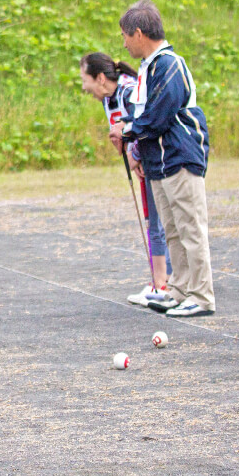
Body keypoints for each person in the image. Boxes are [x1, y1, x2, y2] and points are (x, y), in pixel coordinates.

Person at [113, 0, 214, 317]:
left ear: (139, 33)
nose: (124, 43)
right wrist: (135, 141)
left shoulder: (169, 64)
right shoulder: (148, 67)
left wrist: (128, 130)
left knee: (191, 228)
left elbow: (158, 114)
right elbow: (143, 111)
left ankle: (202, 295)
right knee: (173, 229)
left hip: (179, 157)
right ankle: (180, 289)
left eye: (125, 36)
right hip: (158, 160)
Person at [79, 52, 174, 307]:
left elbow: (142, 126)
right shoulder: (108, 99)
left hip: (158, 160)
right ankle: (164, 280)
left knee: (158, 224)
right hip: (142, 163)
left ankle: (162, 284)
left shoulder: (129, 91)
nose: (83, 86)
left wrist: (135, 155)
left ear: (100, 78)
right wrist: (126, 151)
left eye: (84, 79)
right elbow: (119, 132)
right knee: (154, 222)